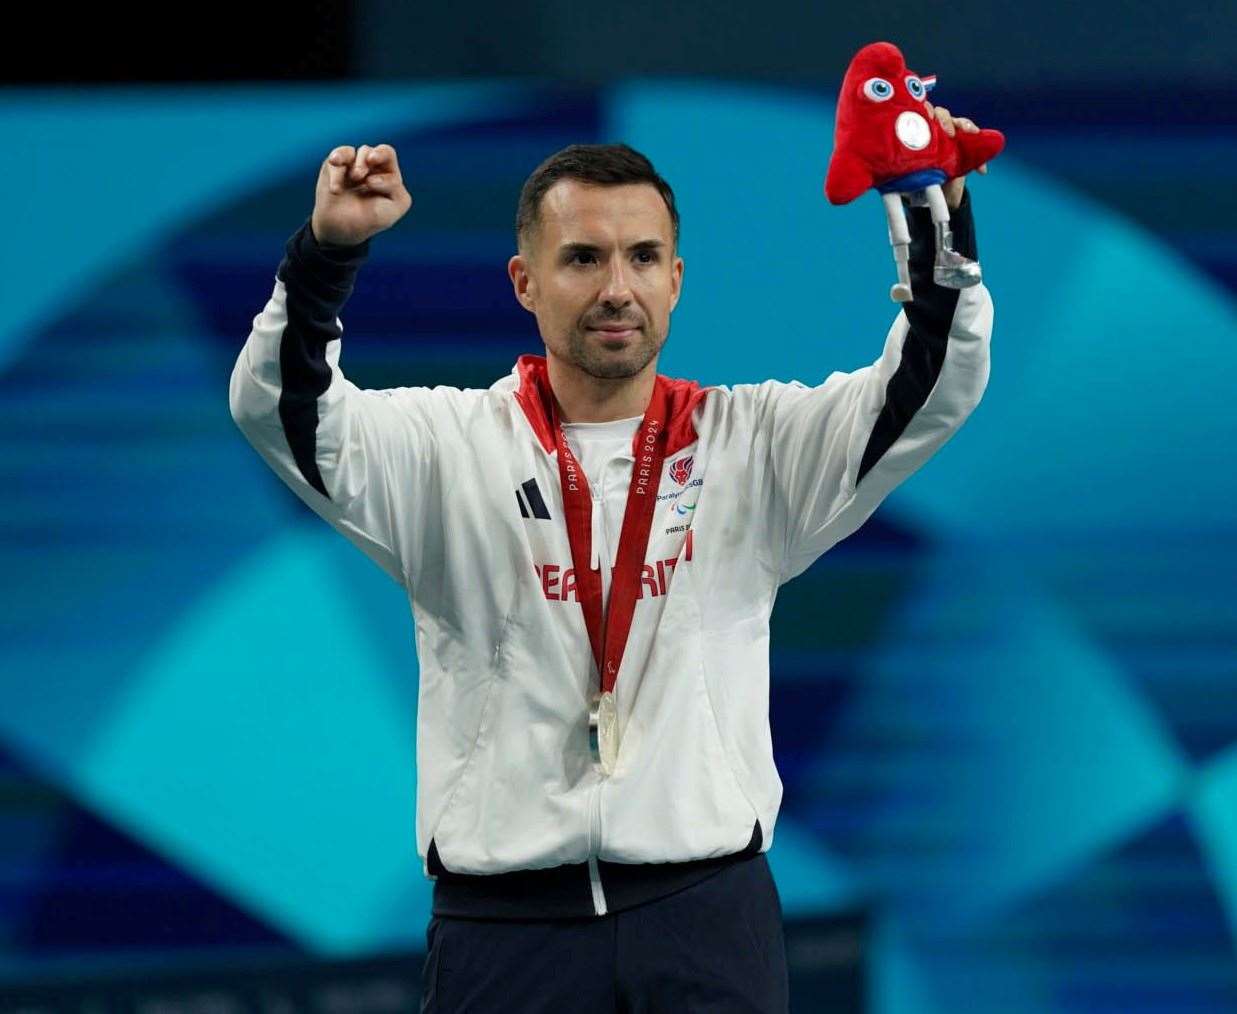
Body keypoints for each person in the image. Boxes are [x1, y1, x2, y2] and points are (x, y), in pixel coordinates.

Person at [228, 106, 992, 1013]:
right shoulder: (442, 449)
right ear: (525, 281)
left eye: (639, 257)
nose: (615, 287)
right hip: (504, 933)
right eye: (582, 259)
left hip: (705, 920)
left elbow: (934, 378)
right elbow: (278, 410)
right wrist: (325, 256)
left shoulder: (751, 446)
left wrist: (922, 208)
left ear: (675, 279)